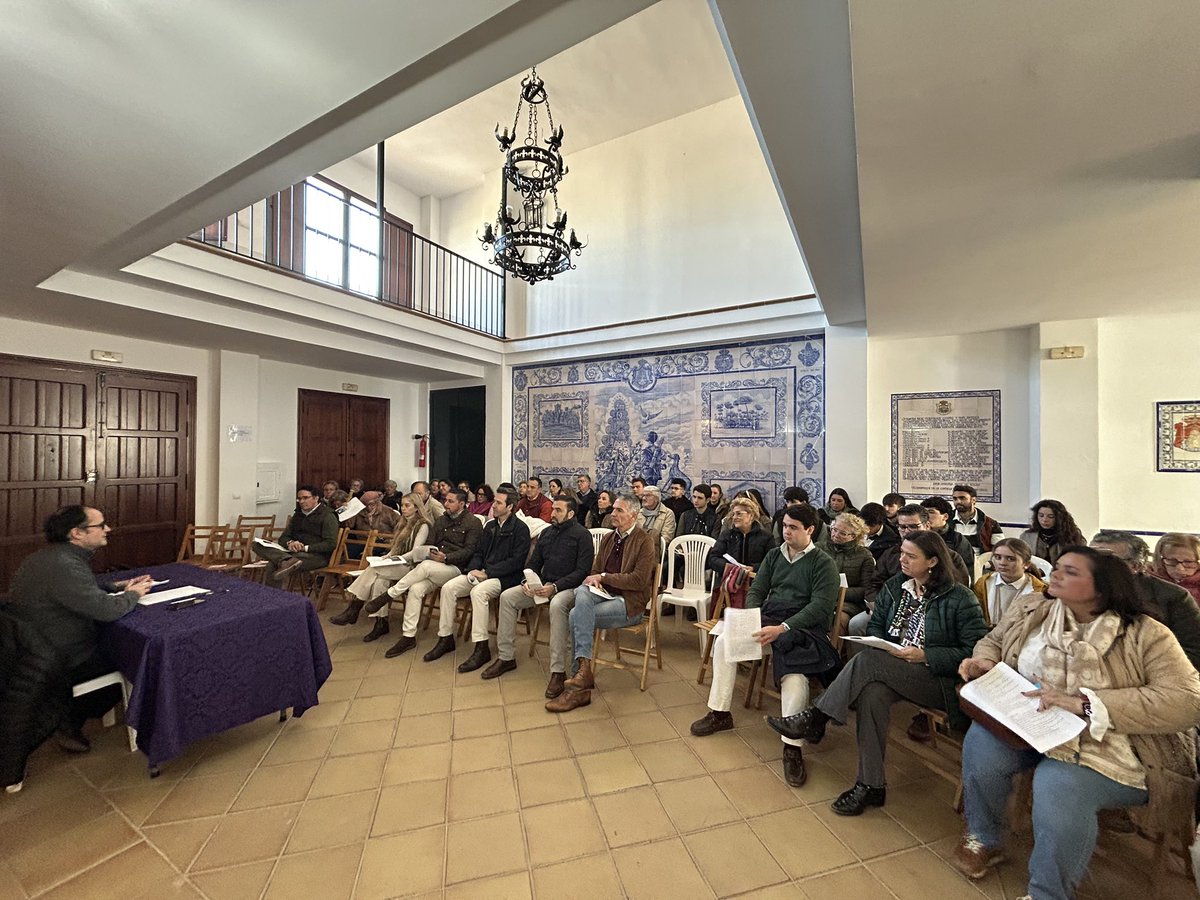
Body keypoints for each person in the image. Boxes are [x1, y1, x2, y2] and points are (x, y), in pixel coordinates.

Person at [953, 547, 1200, 900]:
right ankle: (984, 837)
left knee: (1059, 785)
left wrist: (1086, 704)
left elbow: (1187, 700)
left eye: (1070, 571)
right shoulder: (1033, 608)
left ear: (1102, 586)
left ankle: (1047, 893)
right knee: (982, 745)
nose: (1054, 575)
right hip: (1030, 721)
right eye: (1057, 568)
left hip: (1109, 740)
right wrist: (985, 661)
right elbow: (993, 641)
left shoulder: (1146, 634)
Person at [767, 530, 988, 814]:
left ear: (933, 561)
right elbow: (876, 627)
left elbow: (973, 651)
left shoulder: (959, 597)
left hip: (937, 679)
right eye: (902, 553)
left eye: (911, 556)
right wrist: (884, 645)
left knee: (868, 662)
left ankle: (817, 717)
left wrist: (926, 655)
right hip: (894, 667)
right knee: (872, 693)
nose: (902, 560)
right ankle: (870, 785)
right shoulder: (896, 586)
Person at [690, 503, 841, 785]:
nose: (786, 532)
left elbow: (820, 607)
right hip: (770, 619)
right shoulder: (774, 556)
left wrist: (783, 628)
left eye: (793, 528)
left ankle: (792, 747)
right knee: (724, 642)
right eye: (784, 526)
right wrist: (751, 617)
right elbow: (758, 590)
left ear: (810, 530)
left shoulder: (823, 563)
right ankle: (720, 713)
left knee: (795, 677)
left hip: (803, 629)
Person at [6, 505, 153, 753]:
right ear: (77, 533)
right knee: (132, 656)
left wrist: (116, 587)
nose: (108, 529)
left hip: (32, 645)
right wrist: (133, 595)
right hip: (58, 654)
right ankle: (69, 718)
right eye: (101, 525)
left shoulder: (51, 557)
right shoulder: (65, 564)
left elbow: (79, 590)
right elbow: (106, 610)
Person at [545, 495, 657, 713]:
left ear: (633, 515)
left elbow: (639, 580)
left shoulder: (645, 541)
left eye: (619, 511)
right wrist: (597, 579)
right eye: (613, 509)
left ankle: (579, 684)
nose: (613, 514)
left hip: (629, 603)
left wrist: (604, 577)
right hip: (603, 595)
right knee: (583, 591)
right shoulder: (608, 538)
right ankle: (583, 675)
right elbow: (595, 570)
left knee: (575, 615)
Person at [485, 496, 594, 695]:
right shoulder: (547, 532)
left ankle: (557, 671)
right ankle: (506, 657)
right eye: (553, 509)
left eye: (558, 510)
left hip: (569, 589)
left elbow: (582, 571)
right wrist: (527, 581)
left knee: (557, 605)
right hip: (543, 585)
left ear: (570, 514)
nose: (553, 514)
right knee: (508, 597)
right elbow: (534, 562)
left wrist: (556, 587)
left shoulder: (582, 535)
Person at [435, 487, 530, 673]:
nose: (493, 505)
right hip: (483, 572)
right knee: (448, 588)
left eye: (498, 503)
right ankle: (445, 638)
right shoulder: (490, 526)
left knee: (478, 593)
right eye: (494, 501)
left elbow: (516, 562)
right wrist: (473, 569)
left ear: (510, 507)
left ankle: (481, 646)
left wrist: (489, 573)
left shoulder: (520, 529)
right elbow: (478, 552)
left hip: (505, 577)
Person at [378, 490, 482, 659]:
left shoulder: (473, 522)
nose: (446, 504)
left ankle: (391, 593)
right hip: (435, 566)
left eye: (451, 501)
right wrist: (429, 552)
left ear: (462, 504)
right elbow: (430, 543)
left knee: (425, 566)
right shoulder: (441, 520)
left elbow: (470, 551)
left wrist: (446, 557)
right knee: (415, 589)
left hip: (456, 568)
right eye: (446, 500)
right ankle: (408, 636)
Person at [1090, 530, 1200, 671]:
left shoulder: (1173, 597)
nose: (1095, 566)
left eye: (1108, 560)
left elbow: (1193, 652)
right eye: (1089, 558)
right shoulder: (1074, 591)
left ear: (1135, 566)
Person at [330, 492, 434, 636]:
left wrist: (397, 558)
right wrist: (388, 556)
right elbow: (396, 547)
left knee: (373, 569)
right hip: (399, 562)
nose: (403, 508)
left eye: (407, 506)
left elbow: (415, 552)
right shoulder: (403, 522)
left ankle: (354, 608)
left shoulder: (422, 525)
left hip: (412, 565)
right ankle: (381, 622)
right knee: (380, 581)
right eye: (402, 505)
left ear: (416, 507)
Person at [858, 504, 971, 634]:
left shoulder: (948, 556)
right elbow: (874, 583)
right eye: (902, 527)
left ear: (927, 525)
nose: (907, 531)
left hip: (934, 612)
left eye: (913, 526)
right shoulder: (891, 554)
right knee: (857, 625)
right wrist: (878, 604)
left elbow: (959, 588)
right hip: (891, 607)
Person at [252, 485, 339, 582]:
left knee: (273, 564)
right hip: (294, 553)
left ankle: (285, 564)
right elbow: (283, 538)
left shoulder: (327, 515)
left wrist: (305, 548)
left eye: (305, 498)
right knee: (257, 545)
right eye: (299, 499)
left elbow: (330, 544)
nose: (301, 501)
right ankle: (286, 560)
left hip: (316, 556)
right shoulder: (298, 514)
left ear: (316, 498)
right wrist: (290, 543)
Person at [817, 513, 876, 628]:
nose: (835, 535)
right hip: (817, 597)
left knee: (838, 621)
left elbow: (867, 589)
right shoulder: (819, 548)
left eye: (842, 533)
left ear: (853, 536)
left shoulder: (864, 556)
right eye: (834, 529)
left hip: (847, 603)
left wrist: (839, 592)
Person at [972, 537, 1046, 626]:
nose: (1002, 563)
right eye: (998, 557)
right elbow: (976, 618)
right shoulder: (984, 583)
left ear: (1026, 564)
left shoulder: (1040, 590)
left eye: (1010, 559)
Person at [706, 498, 773, 578]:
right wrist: (729, 567)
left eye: (739, 514)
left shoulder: (766, 537)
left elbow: (771, 562)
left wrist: (754, 568)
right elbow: (713, 558)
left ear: (751, 516)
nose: (734, 517)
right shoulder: (726, 535)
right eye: (733, 514)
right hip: (730, 579)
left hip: (756, 580)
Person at [1019, 499, 1084, 566]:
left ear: (1059, 518)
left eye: (1050, 517)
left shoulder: (1073, 536)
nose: (1044, 520)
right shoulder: (1027, 536)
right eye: (1041, 515)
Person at [921, 496, 975, 575]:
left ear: (945, 517)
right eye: (923, 513)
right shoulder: (918, 536)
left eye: (931, 512)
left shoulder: (957, 539)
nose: (926, 516)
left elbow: (967, 569)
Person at [950, 484, 1003, 552]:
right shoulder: (946, 521)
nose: (958, 501)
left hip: (980, 558)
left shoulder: (991, 524)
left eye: (962, 498)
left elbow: (999, 549)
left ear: (973, 500)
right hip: (953, 558)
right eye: (955, 499)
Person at [1151, 532, 1200, 604]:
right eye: (1172, 561)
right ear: (1160, 561)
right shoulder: (1147, 583)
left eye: (1188, 562)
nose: (1180, 569)